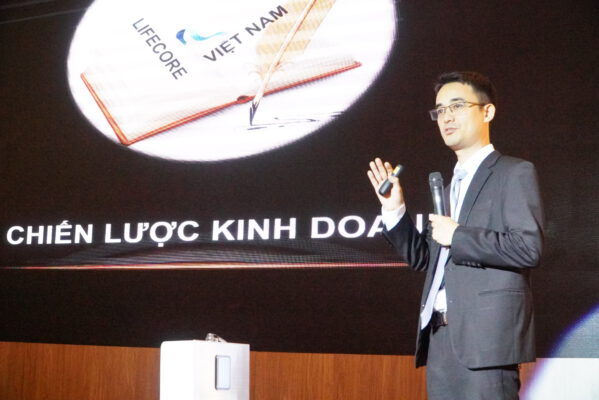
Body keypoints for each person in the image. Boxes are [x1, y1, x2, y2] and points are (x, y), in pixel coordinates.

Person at [367, 71, 544, 400]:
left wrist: (459, 235)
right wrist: (394, 209)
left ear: (487, 112)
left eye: (457, 106)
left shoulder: (513, 172)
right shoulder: (449, 188)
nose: (446, 117)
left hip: (486, 342)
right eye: (440, 110)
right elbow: (425, 259)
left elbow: (527, 248)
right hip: (440, 339)